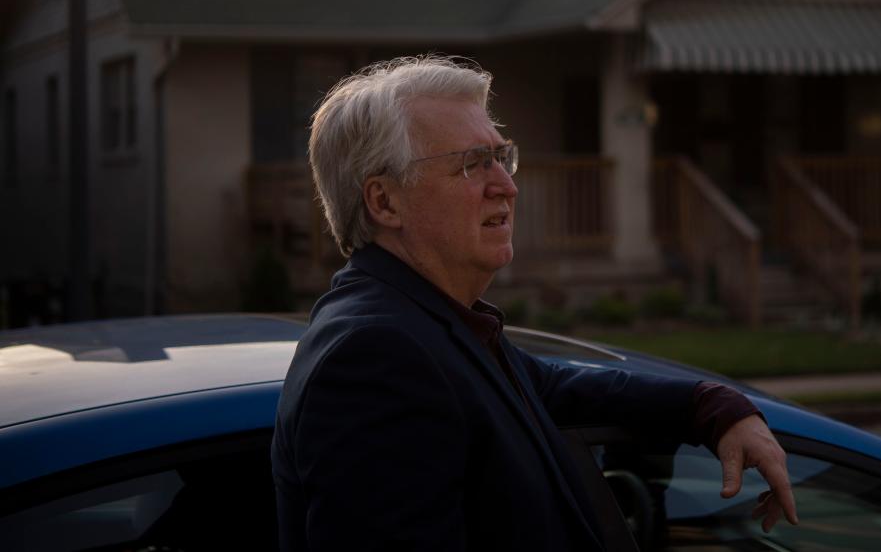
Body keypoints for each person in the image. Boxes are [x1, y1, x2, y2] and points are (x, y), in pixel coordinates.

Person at [271, 55, 797, 551]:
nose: (506, 186)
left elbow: (549, 387)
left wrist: (711, 406)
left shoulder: (425, 324)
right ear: (384, 201)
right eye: (473, 164)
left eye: (502, 158)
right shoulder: (375, 356)